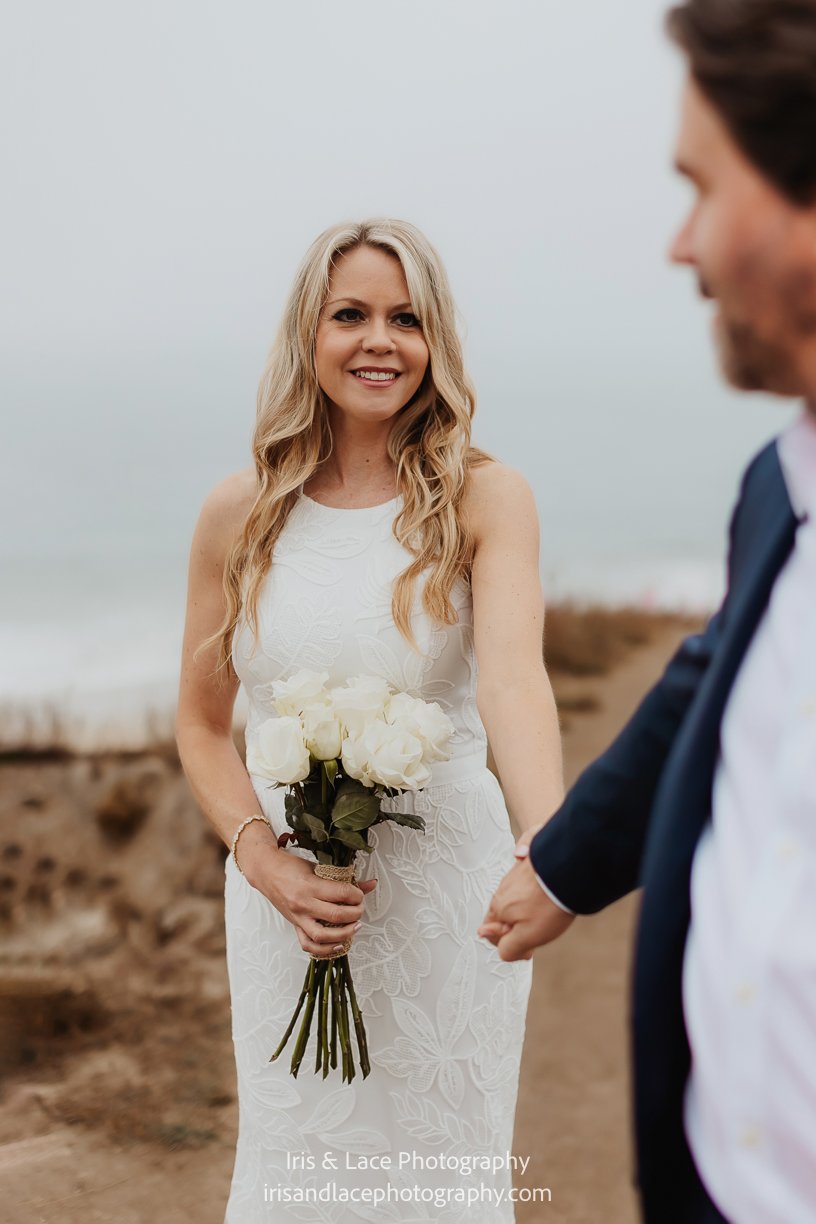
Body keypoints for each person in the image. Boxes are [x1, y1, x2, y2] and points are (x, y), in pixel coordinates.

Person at [480, 2, 816, 1222]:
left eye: (701, 186)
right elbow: (706, 680)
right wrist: (562, 864)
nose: (682, 247)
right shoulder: (778, 492)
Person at [175, 218, 563, 1222]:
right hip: (285, 913)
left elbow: (513, 683)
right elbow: (201, 723)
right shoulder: (239, 513)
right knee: (298, 1171)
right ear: (310, 334)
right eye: (350, 315)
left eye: (406, 318)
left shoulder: (486, 497)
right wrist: (266, 864)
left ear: (436, 342)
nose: (378, 341)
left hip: (447, 905)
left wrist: (546, 842)